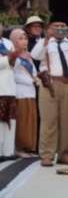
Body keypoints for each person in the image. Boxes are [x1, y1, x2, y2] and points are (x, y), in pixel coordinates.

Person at [31, 20, 68, 167]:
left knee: (67, 121)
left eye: (62, 27)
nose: (59, 29)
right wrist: (46, 39)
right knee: (48, 121)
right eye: (55, 26)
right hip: (49, 83)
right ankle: (47, 155)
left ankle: (65, 154)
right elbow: (35, 55)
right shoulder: (46, 43)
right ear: (49, 29)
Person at [10, 30, 37, 157]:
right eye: (20, 38)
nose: (24, 41)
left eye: (25, 38)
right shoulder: (13, 57)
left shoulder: (29, 56)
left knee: (30, 120)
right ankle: (19, 148)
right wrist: (31, 80)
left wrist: (36, 79)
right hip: (20, 93)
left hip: (31, 93)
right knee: (22, 121)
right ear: (14, 41)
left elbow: (34, 73)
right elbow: (14, 75)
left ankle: (28, 147)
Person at [0, 31, 16, 161]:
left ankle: (8, 151)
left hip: (10, 87)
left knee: (10, 121)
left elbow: (14, 64)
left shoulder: (8, 43)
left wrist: (13, 58)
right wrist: (9, 58)